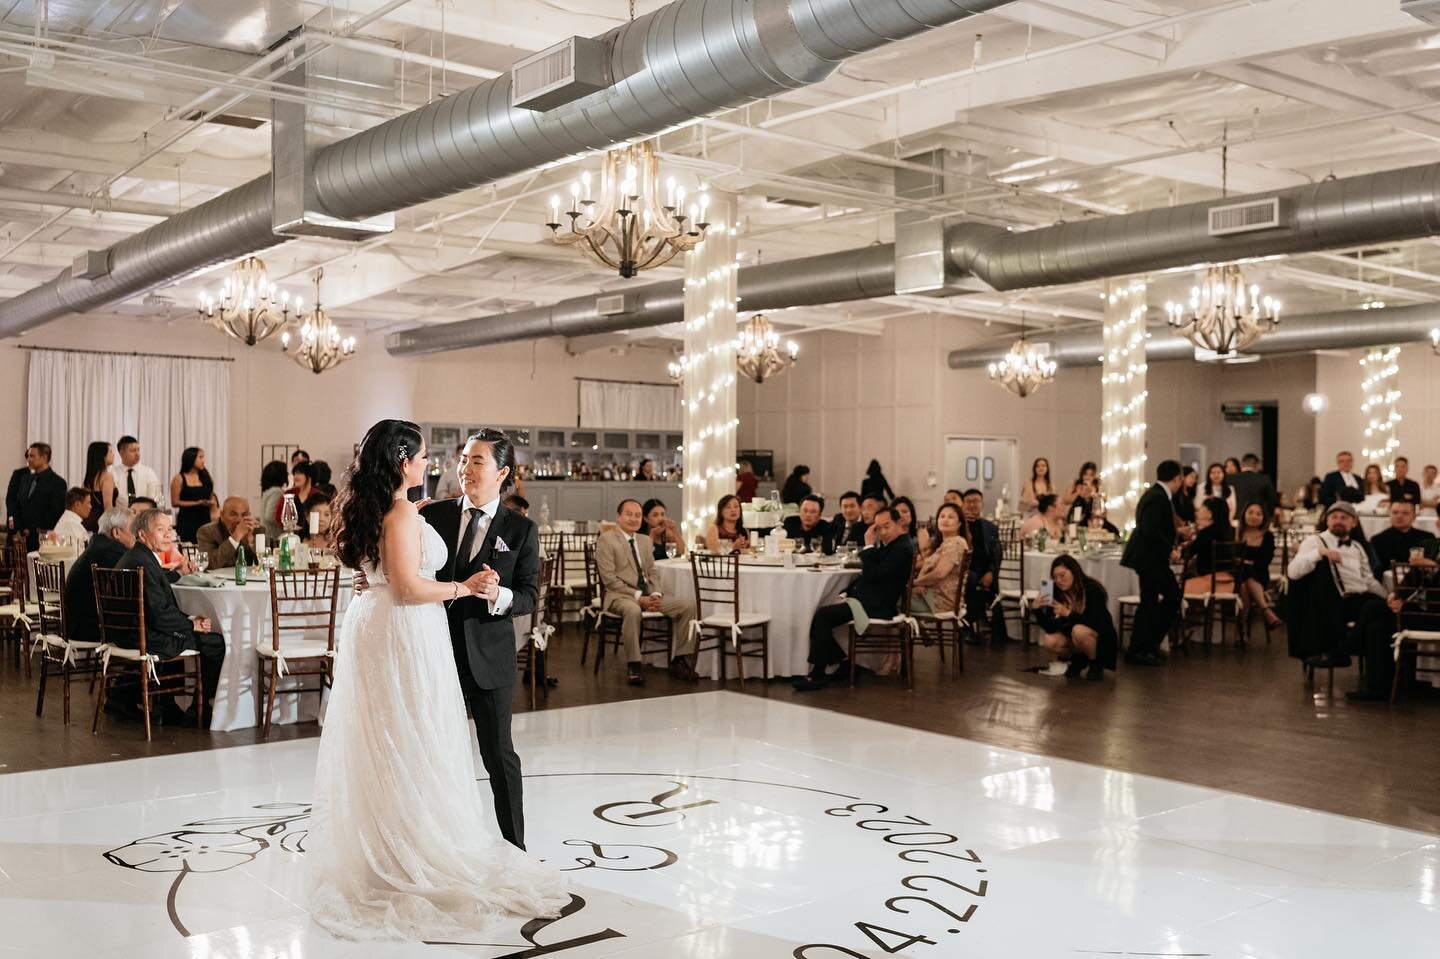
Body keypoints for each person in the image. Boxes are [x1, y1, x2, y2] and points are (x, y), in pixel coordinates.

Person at [311, 420, 565, 939]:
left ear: (503, 473)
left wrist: (493, 596)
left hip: (483, 653)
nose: (461, 468)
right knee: (415, 749)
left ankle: (512, 848)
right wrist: (402, 578)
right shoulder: (431, 511)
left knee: (498, 755)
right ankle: (414, 845)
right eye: (459, 458)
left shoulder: (521, 530)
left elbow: (530, 597)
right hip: (421, 649)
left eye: (476, 461)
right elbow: (401, 570)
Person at [116, 509, 226, 721]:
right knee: (216, 643)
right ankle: (199, 710)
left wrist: (178, 573)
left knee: (186, 631)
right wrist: (191, 623)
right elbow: (159, 615)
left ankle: (160, 704)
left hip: (128, 632)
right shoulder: (144, 563)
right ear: (142, 534)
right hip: (147, 636)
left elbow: (156, 584)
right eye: (160, 529)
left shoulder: (137, 557)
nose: (169, 535)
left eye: (170, 529)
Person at [792, 507, 915, 691]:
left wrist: (868, 545)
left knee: (822, 617)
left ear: (899, 524)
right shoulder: (893, 545)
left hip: (877, 605)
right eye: (878, 528)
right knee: (822, 613)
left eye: (886, 526)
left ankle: (818, 674)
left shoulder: (901, 548)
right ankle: (844, 664)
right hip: (866, 599)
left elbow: (874, 575)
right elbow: (865, 576)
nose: (882, 532)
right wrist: (846, 593)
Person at [596, 499, 698, 686]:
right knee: (633, 610)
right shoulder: (607, 539)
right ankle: (634, 665)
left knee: (687, 606)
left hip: (648, 595)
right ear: (619, 517)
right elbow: (609, 579)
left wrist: (656, 594)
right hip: (619, 596)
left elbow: (652, 572)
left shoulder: (643, 540)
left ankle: (680, 660)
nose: (633, 519)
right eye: (628, 514)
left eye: (637, 515)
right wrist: (638, 597)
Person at [1285, 502, 1391, 672]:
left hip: (1359, 598)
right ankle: (1354, 655)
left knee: (1381, 616)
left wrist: (1388, 597)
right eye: (1334, 517)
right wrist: (1319, 553)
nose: (1338, 521)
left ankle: (1350, 654)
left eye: (1344, 518)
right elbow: (1293, 572)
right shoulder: (1315, 541)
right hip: (1332, 601)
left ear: (1354, 523)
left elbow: (1369, 581)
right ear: (1327, 521)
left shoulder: (1357, 546)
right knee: (1375, 612)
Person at [1122, 460, 1183, 666]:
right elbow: (1149, 529)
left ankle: (1145, 646)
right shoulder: (1158, 497)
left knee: (1155, 600)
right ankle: (1140, 648)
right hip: (1149, 557)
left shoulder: (1155, 494)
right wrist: (1169, 550)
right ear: (1177, 478)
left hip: (1149, 557)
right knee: (1165, 598)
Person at [1034, 553, 1117, 681]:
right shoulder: (1054, 591)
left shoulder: (1092, 589)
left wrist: (1068, 613)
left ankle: (1095, 665)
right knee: (1049, 640)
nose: (1059, 581)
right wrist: (1037, 610)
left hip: (1099, 637)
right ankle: (1077, 661)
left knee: (1078, 631)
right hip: (1074, 638)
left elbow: (1094, 622)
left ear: (1074, 571)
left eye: (1062, 575)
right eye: (1055, 577)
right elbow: (1050, 628)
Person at [64, 507, 134, 645]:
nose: (136, 534)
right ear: (116, 532)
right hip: (92, 628)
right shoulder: (112, 550)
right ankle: (143, 665)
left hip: (79, 624)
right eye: (132, 529)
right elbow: (143, 575)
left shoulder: (99, 544)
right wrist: (178, 574)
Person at [960, 489, 1007, 645]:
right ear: (963, 505)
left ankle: (991, 628)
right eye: (969, 501)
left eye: (976, 501)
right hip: (965, 569)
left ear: (982, 504)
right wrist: (964, 524)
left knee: (992, 584)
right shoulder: (959, 526)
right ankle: (974, 623)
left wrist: (991, 572)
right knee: (971, 579)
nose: (973, 505)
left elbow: (997, 554)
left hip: (985, 569)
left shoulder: (990, 528)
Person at [5, 442, 66, 551]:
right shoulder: (25, 479)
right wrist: (19, 528)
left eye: (32, 456)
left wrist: (31, 529)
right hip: (21, 538)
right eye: (28, 456)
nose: (28, 459)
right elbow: (16, 504)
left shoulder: (58, 482)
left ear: (44, 457)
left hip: (40, 541)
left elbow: (55, 512)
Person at [910, 503, 969, 614]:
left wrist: (914, 583)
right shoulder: (946, 543)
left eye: (951, 517)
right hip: (932, 596)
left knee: (889, 599)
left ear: (959, 523)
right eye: (942, 516)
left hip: (939, 601)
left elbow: (939, 573)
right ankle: (920, 630)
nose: (945, 520)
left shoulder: (955, 543)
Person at [1236, 502, 1283, 631]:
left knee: (1246, 582)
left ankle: (1241, 631)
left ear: (1263, 518)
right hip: (1235, 575)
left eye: (1258, 514)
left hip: (1259, 574)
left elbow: (1265, 561)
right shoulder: (1236, 532)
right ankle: (1266, 611)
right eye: (1250, 512)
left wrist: (1245, 562)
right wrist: (1244, 563)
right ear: (1244, 513)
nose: (1254, 516)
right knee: (1243, 582)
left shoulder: (1267, 536)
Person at [1184, 497, 1235, 597]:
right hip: (1230, 581)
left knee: (1175, 588)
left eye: (1202, 507)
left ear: (1210, 513)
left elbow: (1188, 553)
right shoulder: (1230, 531)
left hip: (1210, 583)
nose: (1198, 510)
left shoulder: (1206, 534)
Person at [1369, 499, 1436, 570]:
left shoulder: (1428, 537)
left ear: (1414, 516)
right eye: (1395, 512)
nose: (1399, 516)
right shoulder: (1377, 540)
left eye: (1405, 513)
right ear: (1389, 515)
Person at [196, 496, 259, 569]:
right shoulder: (207, 532)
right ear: (222, 515)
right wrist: (236, 537)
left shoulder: (257, 530)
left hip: (248, 578)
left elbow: (264, 565)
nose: (239, 519)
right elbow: (209, 565)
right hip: (217, 579)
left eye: (244, 514)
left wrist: (251, 543)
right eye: (233, 514)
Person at [169, 447, 216, 544]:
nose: (203, 460)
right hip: (187, 521)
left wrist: (210, 503)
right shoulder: (179, 478)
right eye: (200, 457)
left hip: (205, 519)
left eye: (203, 457)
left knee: (205, 545)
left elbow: (211, 497)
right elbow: (175, 502)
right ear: (191, 458)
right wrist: (196, 503)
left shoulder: (206, 477)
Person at [108, 436, 162, 507]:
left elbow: (155, 497)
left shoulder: (148, 472)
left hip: (143, 514)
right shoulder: (112, 472)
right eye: (133, 451)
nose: (137, 454)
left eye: (138, 450)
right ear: (121, 452)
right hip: (120, 515)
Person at [1230, 453, 1279, 527]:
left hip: (1235, 521)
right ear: (1257, 465)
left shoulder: (1230, 479)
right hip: (1257, 521)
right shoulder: (1264, 479)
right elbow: (1272, 502)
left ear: (1241, 465)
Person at [81, 441, 119, 531]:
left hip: (87, 520)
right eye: (110, 451)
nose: (113, 455)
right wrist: (113, 529)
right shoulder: (107, 476)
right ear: (102, 456)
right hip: (101, 523)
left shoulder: (88, 478)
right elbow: (108, 507)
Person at [276, 460, 319, 530]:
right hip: (291, 533)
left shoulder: (317, 496)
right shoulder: (288, 494)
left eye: (299, 473)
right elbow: (279, 516)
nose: (295, 477)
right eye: (294, 474)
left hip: (312, 536)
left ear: (309, 476)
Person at [259, 460, 289, 541]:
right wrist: (287, 525)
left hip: (266, 533)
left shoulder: (267, 491)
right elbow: (270, 516)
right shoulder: (277, 492)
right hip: (273, 534)